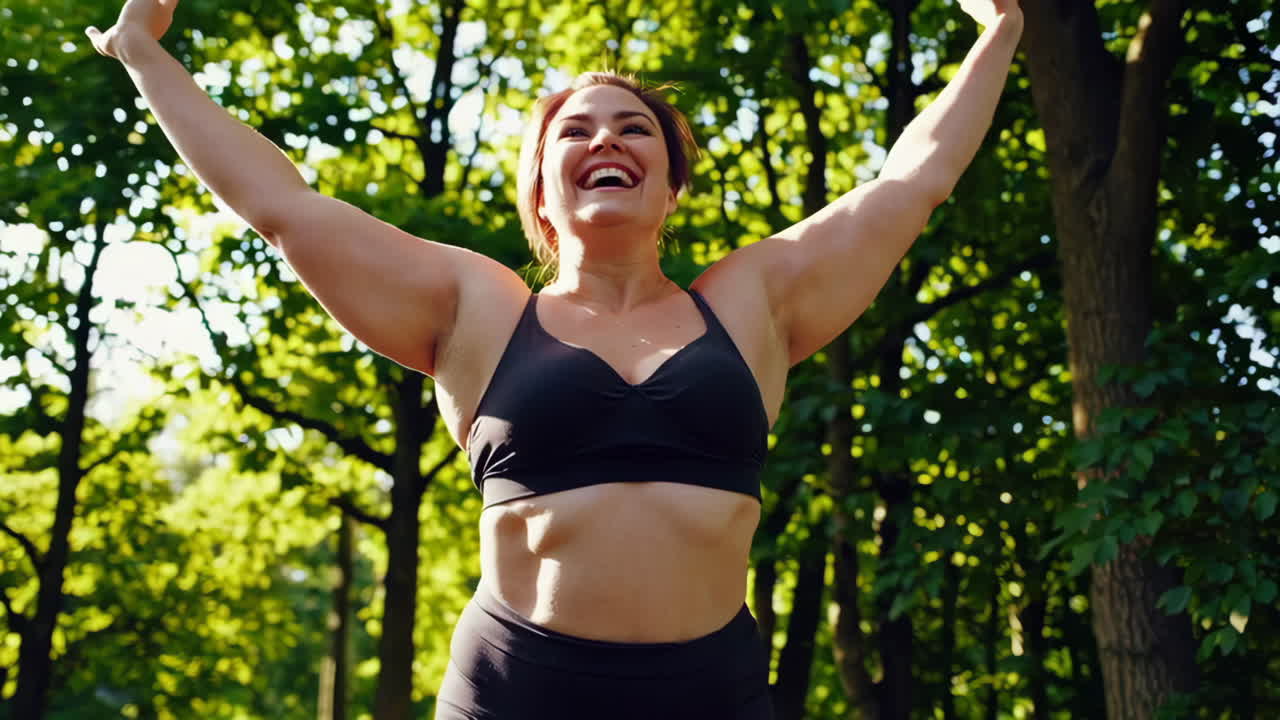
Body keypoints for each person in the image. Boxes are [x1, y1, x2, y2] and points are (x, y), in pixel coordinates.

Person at [88, 0, 1023, 717]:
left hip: (715, 693)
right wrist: (142, 49)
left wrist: (1002, 27)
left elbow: (913, 181)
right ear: (540, 189)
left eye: (633, 127)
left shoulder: (754, 300)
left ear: (670, 181)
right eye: (574, 131)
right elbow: (283, 207)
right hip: (516, 689)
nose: (605, 138)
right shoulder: (476, 307)